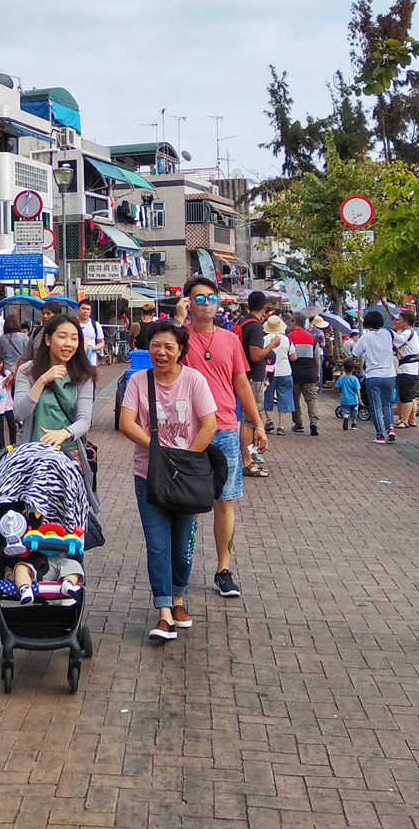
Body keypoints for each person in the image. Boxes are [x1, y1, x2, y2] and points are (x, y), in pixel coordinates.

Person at [118, 319, 217, 642]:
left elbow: (208, 425)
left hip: (186, 476)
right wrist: (158, 450)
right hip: (149, 475)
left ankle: (178, 598)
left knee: (182, 543)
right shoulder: (138, 381)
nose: (161, 352)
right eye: (156, 345)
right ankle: (164, 613)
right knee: (157, 544)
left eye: (169, 347)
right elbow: (126, 422)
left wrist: (184, 458)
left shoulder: (194, 380)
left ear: (180, 352)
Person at [173, 274, 266, 599]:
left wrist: (257, 422)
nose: (206, 304)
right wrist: (178, 320)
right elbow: (163, 361)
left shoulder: (229, 340)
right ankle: (180, 569)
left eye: (211, 298)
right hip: (187, 430)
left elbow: (241, 384)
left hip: (225, 428)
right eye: (199, 298)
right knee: (186, 503)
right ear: (188, 302)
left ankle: (223, 569)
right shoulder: (179, 337)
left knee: (224, 501)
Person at [13, 314, 96, 446]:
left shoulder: (84, 375)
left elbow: (84, 420)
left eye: (74, 339)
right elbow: (19, 413)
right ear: (48, 339)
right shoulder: (27, 371)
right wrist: (43, 380)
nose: (68, 344)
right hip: (34, 454)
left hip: (69, 454)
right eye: (62, 337)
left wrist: (64, 433)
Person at [350, 309, 400, 443]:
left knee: (376, 406)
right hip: (390, 375)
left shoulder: (366, 337)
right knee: (387, 404)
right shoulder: (389, 333)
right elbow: (403, 341)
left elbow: (356, 352)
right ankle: (390, 428)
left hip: (373, 375)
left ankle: (380, 434)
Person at [260, 315, 295, 436]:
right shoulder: (287, 339)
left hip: (269, 372)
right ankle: (281, 425)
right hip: (285, 372)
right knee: (284, 397)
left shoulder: (264, 339)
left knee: (267, 396)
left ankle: (269, 420)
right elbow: (293, 356)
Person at [287, 314, 320, 434]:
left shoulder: (288, 337)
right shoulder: (312, 338)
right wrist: (317, 372)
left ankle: (298, 423)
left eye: (291, 322)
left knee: (295, 399)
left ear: (295, 322)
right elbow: (317, 357)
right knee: (311, 399)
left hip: (294, 372)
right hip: (309, 372)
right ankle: (313, 420)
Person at [393, 310, 419, 429]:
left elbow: (393, 342)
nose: (397, 322)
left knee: (406, 396)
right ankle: (411, 419)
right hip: (411, 368)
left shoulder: (406, 333)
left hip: (407, 368)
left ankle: (404, 420)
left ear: (405, 321)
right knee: (410, 395)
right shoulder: (412, 333)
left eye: (399, 320)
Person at [335, 360, 362, 431]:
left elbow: (337, 387)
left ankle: (346, 418)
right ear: (353, 369)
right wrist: (359, 398)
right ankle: (354, 424)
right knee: (354, 411)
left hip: (344, 398)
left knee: (345, 410)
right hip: (354, 398)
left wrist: (339, 394)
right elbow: (357, 389)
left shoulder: (341, 378)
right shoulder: (355, 379)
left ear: (344, 368)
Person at [76, 302, 104, 367]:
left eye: (88, 309)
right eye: (83, 308)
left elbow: (101, 342)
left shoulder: (95, 325)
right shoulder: (73, 323)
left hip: (91, 362)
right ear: (78, 309)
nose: (85, 311)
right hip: (76, 361)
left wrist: (91, 348)